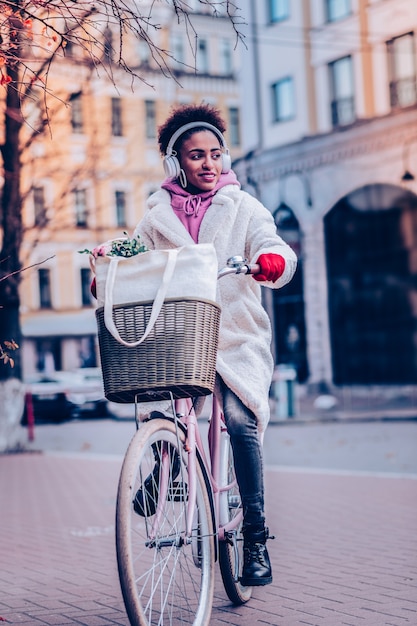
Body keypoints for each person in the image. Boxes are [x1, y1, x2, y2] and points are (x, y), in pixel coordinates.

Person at [133, 103, 297, 587]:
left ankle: (256, 535)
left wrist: (268, 261)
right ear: (175, 162)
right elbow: (135, 255)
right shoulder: (156, 214)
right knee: (174, 411)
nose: (208, 163)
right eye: (196, 155)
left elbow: (276, 245)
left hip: (235, 333)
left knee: (242, 422)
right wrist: (109, 262)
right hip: (182, 333)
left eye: (215, 154)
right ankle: (166, 460)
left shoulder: (243, 206)